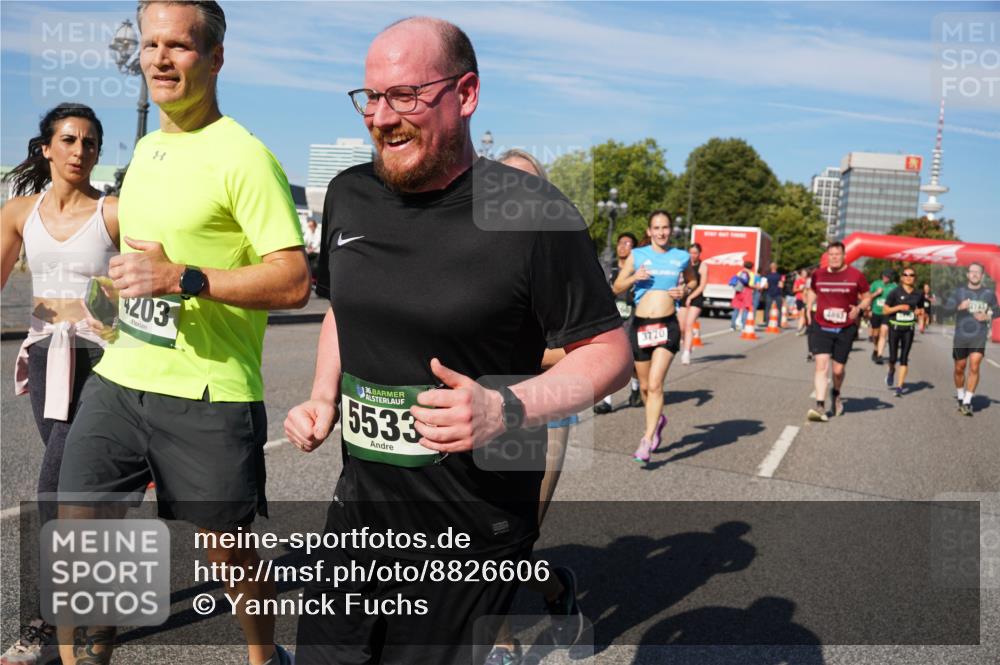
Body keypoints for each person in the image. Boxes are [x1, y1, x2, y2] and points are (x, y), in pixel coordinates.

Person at [284, 17, 630, 665]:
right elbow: (345, 310)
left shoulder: (533, 214)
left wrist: (508, 406)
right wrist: (322, 397)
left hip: (470, 527)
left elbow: (610, 353)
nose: (382, 117)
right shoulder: (350, 195)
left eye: (406, 96)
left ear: (466, 94)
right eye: (372, 98)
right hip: (360, 508)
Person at [55, 3, 310, 665]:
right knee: (81, 525)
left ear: (216, 58)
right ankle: (96, 647)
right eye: (150, 44)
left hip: (208, 389)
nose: (161, 58)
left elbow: (292, 280)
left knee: (224, 545)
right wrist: (105, 302)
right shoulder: (145, 148)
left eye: (180, 46)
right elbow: (143, 258)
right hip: (121, 378)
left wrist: (182, 278)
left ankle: (263, 654)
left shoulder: (246, 157)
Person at [0, 103, 118, 665]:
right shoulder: (19, 212)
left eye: (90, 143)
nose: (80, 151)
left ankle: (49, 623)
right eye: (69, 140)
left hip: (103, 362)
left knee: (58, 489)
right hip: (48, 358)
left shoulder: (115, 213)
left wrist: (90, 305)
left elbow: (145, 286)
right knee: (90, 495)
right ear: (46, 147)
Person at [487, 147, 585, 665]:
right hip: (476, 409)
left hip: (544, 405)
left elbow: (578, 348)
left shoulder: (558, 256)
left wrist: (511, 353)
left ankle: (553, 589)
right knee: (477, 535)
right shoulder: (469, 249)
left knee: (514, 539)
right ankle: (501, 643)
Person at [613, 210, 696, 465]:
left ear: (671, 230)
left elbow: (692, 281)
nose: (661, 232)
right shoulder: (638, 255)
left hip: (667, 325)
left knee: (657, 384)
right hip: (640, 325)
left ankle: (647, 440)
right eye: (656, 228)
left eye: (665, 228)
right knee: (646, 387)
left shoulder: (680, 257)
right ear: (649, 231)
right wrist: (634, 277)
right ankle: (658, 420)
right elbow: (617, 286)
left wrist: (684, 289)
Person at [804, 242, 871, 422]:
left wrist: (859, 308)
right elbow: (812, 290)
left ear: (844, 256)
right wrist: (808, 306)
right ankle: (820, 406)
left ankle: (836, 392)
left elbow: (867, 296)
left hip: (845, 328)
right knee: (821, 365)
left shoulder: (856, 275)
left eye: (837, 254)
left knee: (838, 369)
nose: (834, 257)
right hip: (821, 325)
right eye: (831, 254)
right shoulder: (818, 274)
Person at [595, 231, 643, 412]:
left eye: (628, 243)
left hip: (633, 319)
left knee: (633, 361)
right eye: (620, 243)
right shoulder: (609, 267)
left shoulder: (639, 270)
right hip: (611, 319)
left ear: (635, 248)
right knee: (610, 361)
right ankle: (606, 402)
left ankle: (636, 390)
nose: (622, 246)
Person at [943, 262, 999, 416]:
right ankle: (960, 396)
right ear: (967, 275)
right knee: (959, 368)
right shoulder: (959, 292)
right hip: (961, 335)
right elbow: (946, 311)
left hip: (979, 335)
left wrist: (987, 315)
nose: (974, 274)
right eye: (972, 272)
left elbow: (997, 311)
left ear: (982, 276)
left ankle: (967, 401)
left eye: (978, 272)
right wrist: (959, 307)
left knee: (974, 366)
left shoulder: (988, 293)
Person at [883, 268, 924, 396]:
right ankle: (891, 371)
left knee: (904, 358)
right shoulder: (894, 292)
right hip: (895, 328)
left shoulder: (919, 293)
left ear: (915, 278)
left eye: (911, 275)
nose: (908, 277)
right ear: (901, 278)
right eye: (905, 274)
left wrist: (919, 316)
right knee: (893, 358)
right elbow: (885, 310)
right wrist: (900, 307)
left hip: (908, 329)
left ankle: (899, 387)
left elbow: (921, 310)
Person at [679, 242, 708, 365]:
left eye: (695, 253)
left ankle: (686, 353)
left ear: (699, 254)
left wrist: (691, 297)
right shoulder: (684, 265)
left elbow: (702, 286)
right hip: (683, 296)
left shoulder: (703, 266)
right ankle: (688, 344)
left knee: (689, 325)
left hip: (696, 298)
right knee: (681, 327)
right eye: (690, 253)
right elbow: (679, 280)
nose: (693, 255)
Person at [868, 269, 897, 364]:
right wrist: (876, 293)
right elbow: (867, 297)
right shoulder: (876, 284)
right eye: (884, 275)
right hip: (876, 312)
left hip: (887, 314)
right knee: (875, 335)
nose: (885, 277)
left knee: (883, 332)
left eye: (888, 276)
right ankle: (876, 349)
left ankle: (880, 355)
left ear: (891, 277)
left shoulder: (894, 287)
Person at [730, 261, 753, 331]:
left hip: (738, 291)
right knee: (745, 309)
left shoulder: (740, 272)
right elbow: (751, 284)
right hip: (747, 292)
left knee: (736, 309)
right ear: (751, 267)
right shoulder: (751, 274)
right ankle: (743, 326)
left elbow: (736, 281)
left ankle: (732, 326)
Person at [763, 261, 785, 329]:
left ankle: (767, 323)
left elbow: (766, 286)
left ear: (770, 268)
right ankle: (778, 323)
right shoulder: (780, 276)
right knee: (779, 309)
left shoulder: (767, 276)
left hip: (769, 293)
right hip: (778, 293)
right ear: (776, 267)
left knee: (767, 309)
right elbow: (781, 286)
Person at [793, 268, 808, 336]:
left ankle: (799, 329)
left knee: (803, 315)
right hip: (799, 299)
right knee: (801, 315)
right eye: (803, 273)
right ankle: (804, 327)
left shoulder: (808, 281)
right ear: (801, 274)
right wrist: (800, 289)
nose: (805, 274)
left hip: (805, 300)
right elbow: (794, 290)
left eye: (805, 273)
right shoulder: (798, 281)